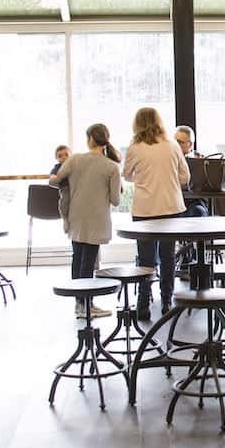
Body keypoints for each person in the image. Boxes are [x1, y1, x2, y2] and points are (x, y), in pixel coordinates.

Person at [124, 108, 190, 318]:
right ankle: (167, 301)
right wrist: (168, 180)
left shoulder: (135, 148)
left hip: (144, 208)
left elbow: (127, 175)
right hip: (170, 206)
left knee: (146, 259)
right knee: (168, 256)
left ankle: (143, 303)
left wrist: (143, 179)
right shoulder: (172, 145)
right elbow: (185, 177)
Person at [50, 124, 121, 319]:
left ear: (89, 139)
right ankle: (86, 305)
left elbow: (55, 181)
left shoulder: (74, 160)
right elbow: (116, 200)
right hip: (97, 220)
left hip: (76, 216)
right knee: (89, 262)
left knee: (78, 258)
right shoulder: (111, 166)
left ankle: (80, 303)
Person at [173, 125, 208, 218]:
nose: (175, 145)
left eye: (180, 142)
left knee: (197, 212)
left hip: (195, 201)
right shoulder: (169, 160)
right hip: (175, 202)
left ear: (191, 144)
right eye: (174, 142)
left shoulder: (201, 160)